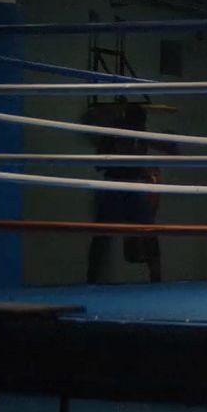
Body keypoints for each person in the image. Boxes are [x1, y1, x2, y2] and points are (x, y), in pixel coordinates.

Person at [84, 100, 171, 283]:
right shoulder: (114, 134)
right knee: (102, 232)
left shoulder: (141, 136)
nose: (140, 124)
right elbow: (100, 163)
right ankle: (91, 278)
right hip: (114, 184)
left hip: (133, 185)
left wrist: (143, 169)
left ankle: (157, 278)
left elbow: (161, 151)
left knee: (148, 229)